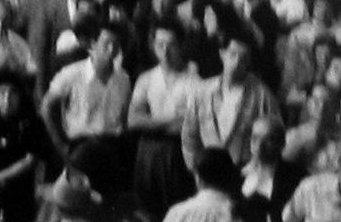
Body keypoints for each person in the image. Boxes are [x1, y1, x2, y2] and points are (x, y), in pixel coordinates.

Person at [42, 20, 131, 196]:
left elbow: (124, 115)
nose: (111, 49)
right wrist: (60, 144)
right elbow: (46, 107)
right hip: (80, 146)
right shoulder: (71, 74)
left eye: (116, 45)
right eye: (106, 44)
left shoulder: (123, 79)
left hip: (111, 146)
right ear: (92, 45)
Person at [180, 21, 277, 170]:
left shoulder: (262, 95)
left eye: (243, 58)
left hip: (244, 170)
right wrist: (195, 169)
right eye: (233, 54)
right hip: (207, 170)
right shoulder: (203, 91)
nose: (237, 62)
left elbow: (274, 137)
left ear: (249, 62)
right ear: (222, 54)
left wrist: (255, 169)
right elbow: (189, 134)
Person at [129, 18, 198, 216]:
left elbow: (190, 123)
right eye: (160, 45)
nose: (165, 52)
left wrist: (151, 121)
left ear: (181, 45)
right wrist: (172, 120)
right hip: (148, 154)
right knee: (148, 212)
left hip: (179, 153)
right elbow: (133, 120)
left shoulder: (193, 80)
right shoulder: (146, 79)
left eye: (171, 45)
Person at [0, 70, 56, 221]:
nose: (7, 99)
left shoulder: (33, 123)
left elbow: (30, 160)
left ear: (21, 95)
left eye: (12, 93)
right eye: (2, 93)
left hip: (19, 192)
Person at [237, 116, 302, 222]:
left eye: (269, 140)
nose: (259, 145)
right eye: (255, 138)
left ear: (281, 143)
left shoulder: (295, 177)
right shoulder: (236, 172)